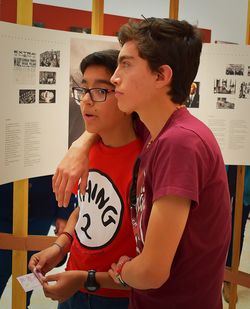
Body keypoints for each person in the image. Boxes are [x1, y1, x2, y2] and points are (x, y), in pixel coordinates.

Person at [52, 18, 231, 309]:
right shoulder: (160, 131)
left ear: (161, 76)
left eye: (126, 65)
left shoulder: (179, 142)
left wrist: (123, 271)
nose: (115, 78)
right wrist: (81, 144)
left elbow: (151, 271)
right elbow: (108, 123)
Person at [29, 49, 142, 309]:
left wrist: (86, 279)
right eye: (83, 89)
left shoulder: (147, 161)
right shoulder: (87, 150)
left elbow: (151, 264)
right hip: (74, 286)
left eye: (100, 91)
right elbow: (85, 208)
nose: (86, 101)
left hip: (117, 298)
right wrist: (60, 246)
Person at [0, 175, 75, 308]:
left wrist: (64, 211)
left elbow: (66, 165)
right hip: (4, 205)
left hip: (41, 208)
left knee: (30, 276)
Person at [223, 165, 250, 303]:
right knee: (215, 227)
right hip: (222, 178)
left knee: (237, 230)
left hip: (245, 186)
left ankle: (229, 277)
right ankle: (215, 271)